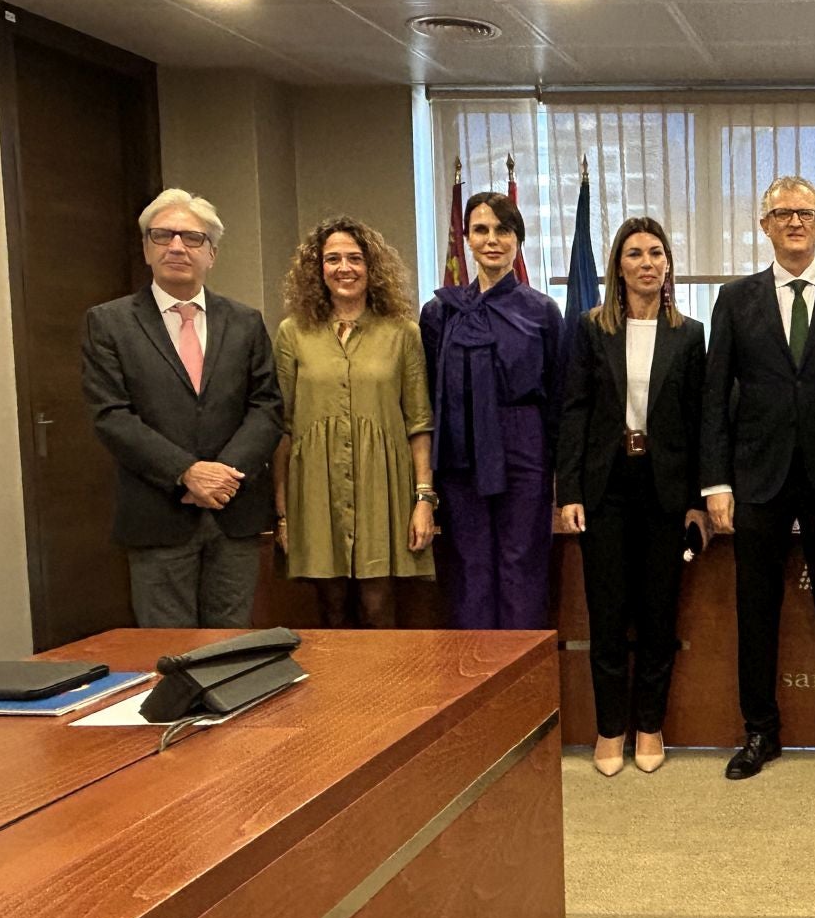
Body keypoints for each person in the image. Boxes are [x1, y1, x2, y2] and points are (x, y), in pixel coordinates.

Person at [702, 176, 815, 781]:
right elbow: (714, 397)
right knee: (756, 610)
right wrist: (716, 484)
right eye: (782, 213)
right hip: (756, 477)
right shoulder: (735, 299)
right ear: (765, 226)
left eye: (805, 213)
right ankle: (760, 731)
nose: (795, 223)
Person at [81, 188, 283, 627]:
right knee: (167, 648)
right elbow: (111, 416)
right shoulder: (110, 323)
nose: (176, 246)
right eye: (163, 235)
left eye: (192, 238)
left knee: (232, 646)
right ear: (146, 248)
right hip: (158, 513)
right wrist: (186, 472)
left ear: (212, 253)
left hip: (234, 511)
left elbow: (267, 406)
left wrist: (223, 475)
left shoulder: (245, 322)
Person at [558, 217, 708, 777]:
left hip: (664, 488)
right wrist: (569, 490)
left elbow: (699, 421)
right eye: (635, 254)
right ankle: (609, 729)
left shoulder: (689, 334)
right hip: (606, 485)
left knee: (657, 617)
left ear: (668, 265)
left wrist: (697, 500)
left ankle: (649, 724)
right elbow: (574, 411)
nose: (647, 263)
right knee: (607, 615)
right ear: (618, 267)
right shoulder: (591, 328)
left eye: (656, 253)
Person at [273, 216, 436, 626]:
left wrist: (423, 501)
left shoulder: (402, 333)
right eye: (333, 259)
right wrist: (283, 514)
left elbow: (419, 424)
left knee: (378, 605)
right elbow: (282, 429)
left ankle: (387, 674)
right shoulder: (293, 333)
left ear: (371, 267)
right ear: (317, 268)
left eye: (355, 258)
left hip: (383, 487)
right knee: (330, 608)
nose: (344, 268)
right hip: (315, 489)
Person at [420, 191, 563, 630]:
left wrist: (562, 474)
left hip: (524, 446)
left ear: (518, 238)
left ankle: (522, 671)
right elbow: (428, 392)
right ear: (466, 239)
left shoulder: (542, 311)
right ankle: (476, 669)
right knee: (470, 567)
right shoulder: (440, 313)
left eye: (503, 230)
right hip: (461, 453)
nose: (492, 240)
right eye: (481, 230)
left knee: (522, 564)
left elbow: (559, 394)